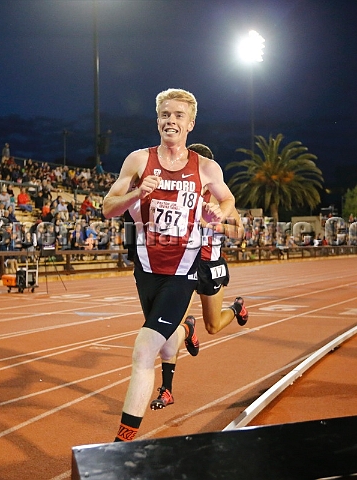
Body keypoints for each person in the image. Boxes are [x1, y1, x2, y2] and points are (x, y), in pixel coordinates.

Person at [102, 88, 236, 442]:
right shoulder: (137, 161)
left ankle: (123, 442)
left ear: (190, 123)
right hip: (146, 271)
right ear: (157, 120)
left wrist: (217, 214)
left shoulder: (206, 168)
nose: (170, 120)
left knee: (144, 350)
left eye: (178, 115)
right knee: (163, 342)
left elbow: (232, 210)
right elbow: (108, 207)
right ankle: (184, 331)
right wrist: (136, 194)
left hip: (184, 273)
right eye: (165, 114)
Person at [149, 143, 247, 411]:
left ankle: (236, 308)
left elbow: (240, 233)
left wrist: (213, 225)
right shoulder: (178, 193)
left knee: (213, 326)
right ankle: (167, 390)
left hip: (210, 264)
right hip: (183, 266)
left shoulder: (220, 198)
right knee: (169, 329)